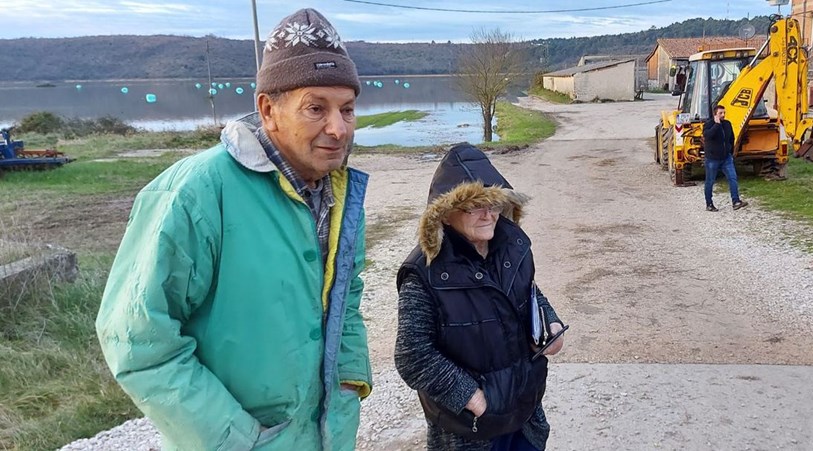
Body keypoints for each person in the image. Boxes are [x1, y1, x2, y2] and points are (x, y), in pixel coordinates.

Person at [95, 8, 371, 450]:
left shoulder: (338, 192)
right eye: (316, 108)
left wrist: (349, 382)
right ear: (268, 110)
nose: (338, 128)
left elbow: (347, 297)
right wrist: (239, 441)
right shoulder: (198, 192)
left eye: (348, 109)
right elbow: (138, 340)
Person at [394, 143, 565, 451]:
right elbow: (412, 355)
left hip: (524, 415)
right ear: (444, 214)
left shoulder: (511, 248)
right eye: (474, 206)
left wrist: (549, 324)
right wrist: (473, 398)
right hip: (471, 431)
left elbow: (529, 292)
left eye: (494, 204)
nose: (488, 215)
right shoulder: (424, 274)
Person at [702, 105, 748, 212]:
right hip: (712, 158)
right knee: (710, 181)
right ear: (715, 114)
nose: (723, 115)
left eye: (724, 113)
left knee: (733, 178)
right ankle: (709, 204)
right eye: (720, 113)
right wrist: (716, 125)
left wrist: (730, 151)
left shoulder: (727, 124)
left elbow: (731, 138)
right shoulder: (708, 124)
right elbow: (707, 136)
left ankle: (736, 201)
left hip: (726, 158)